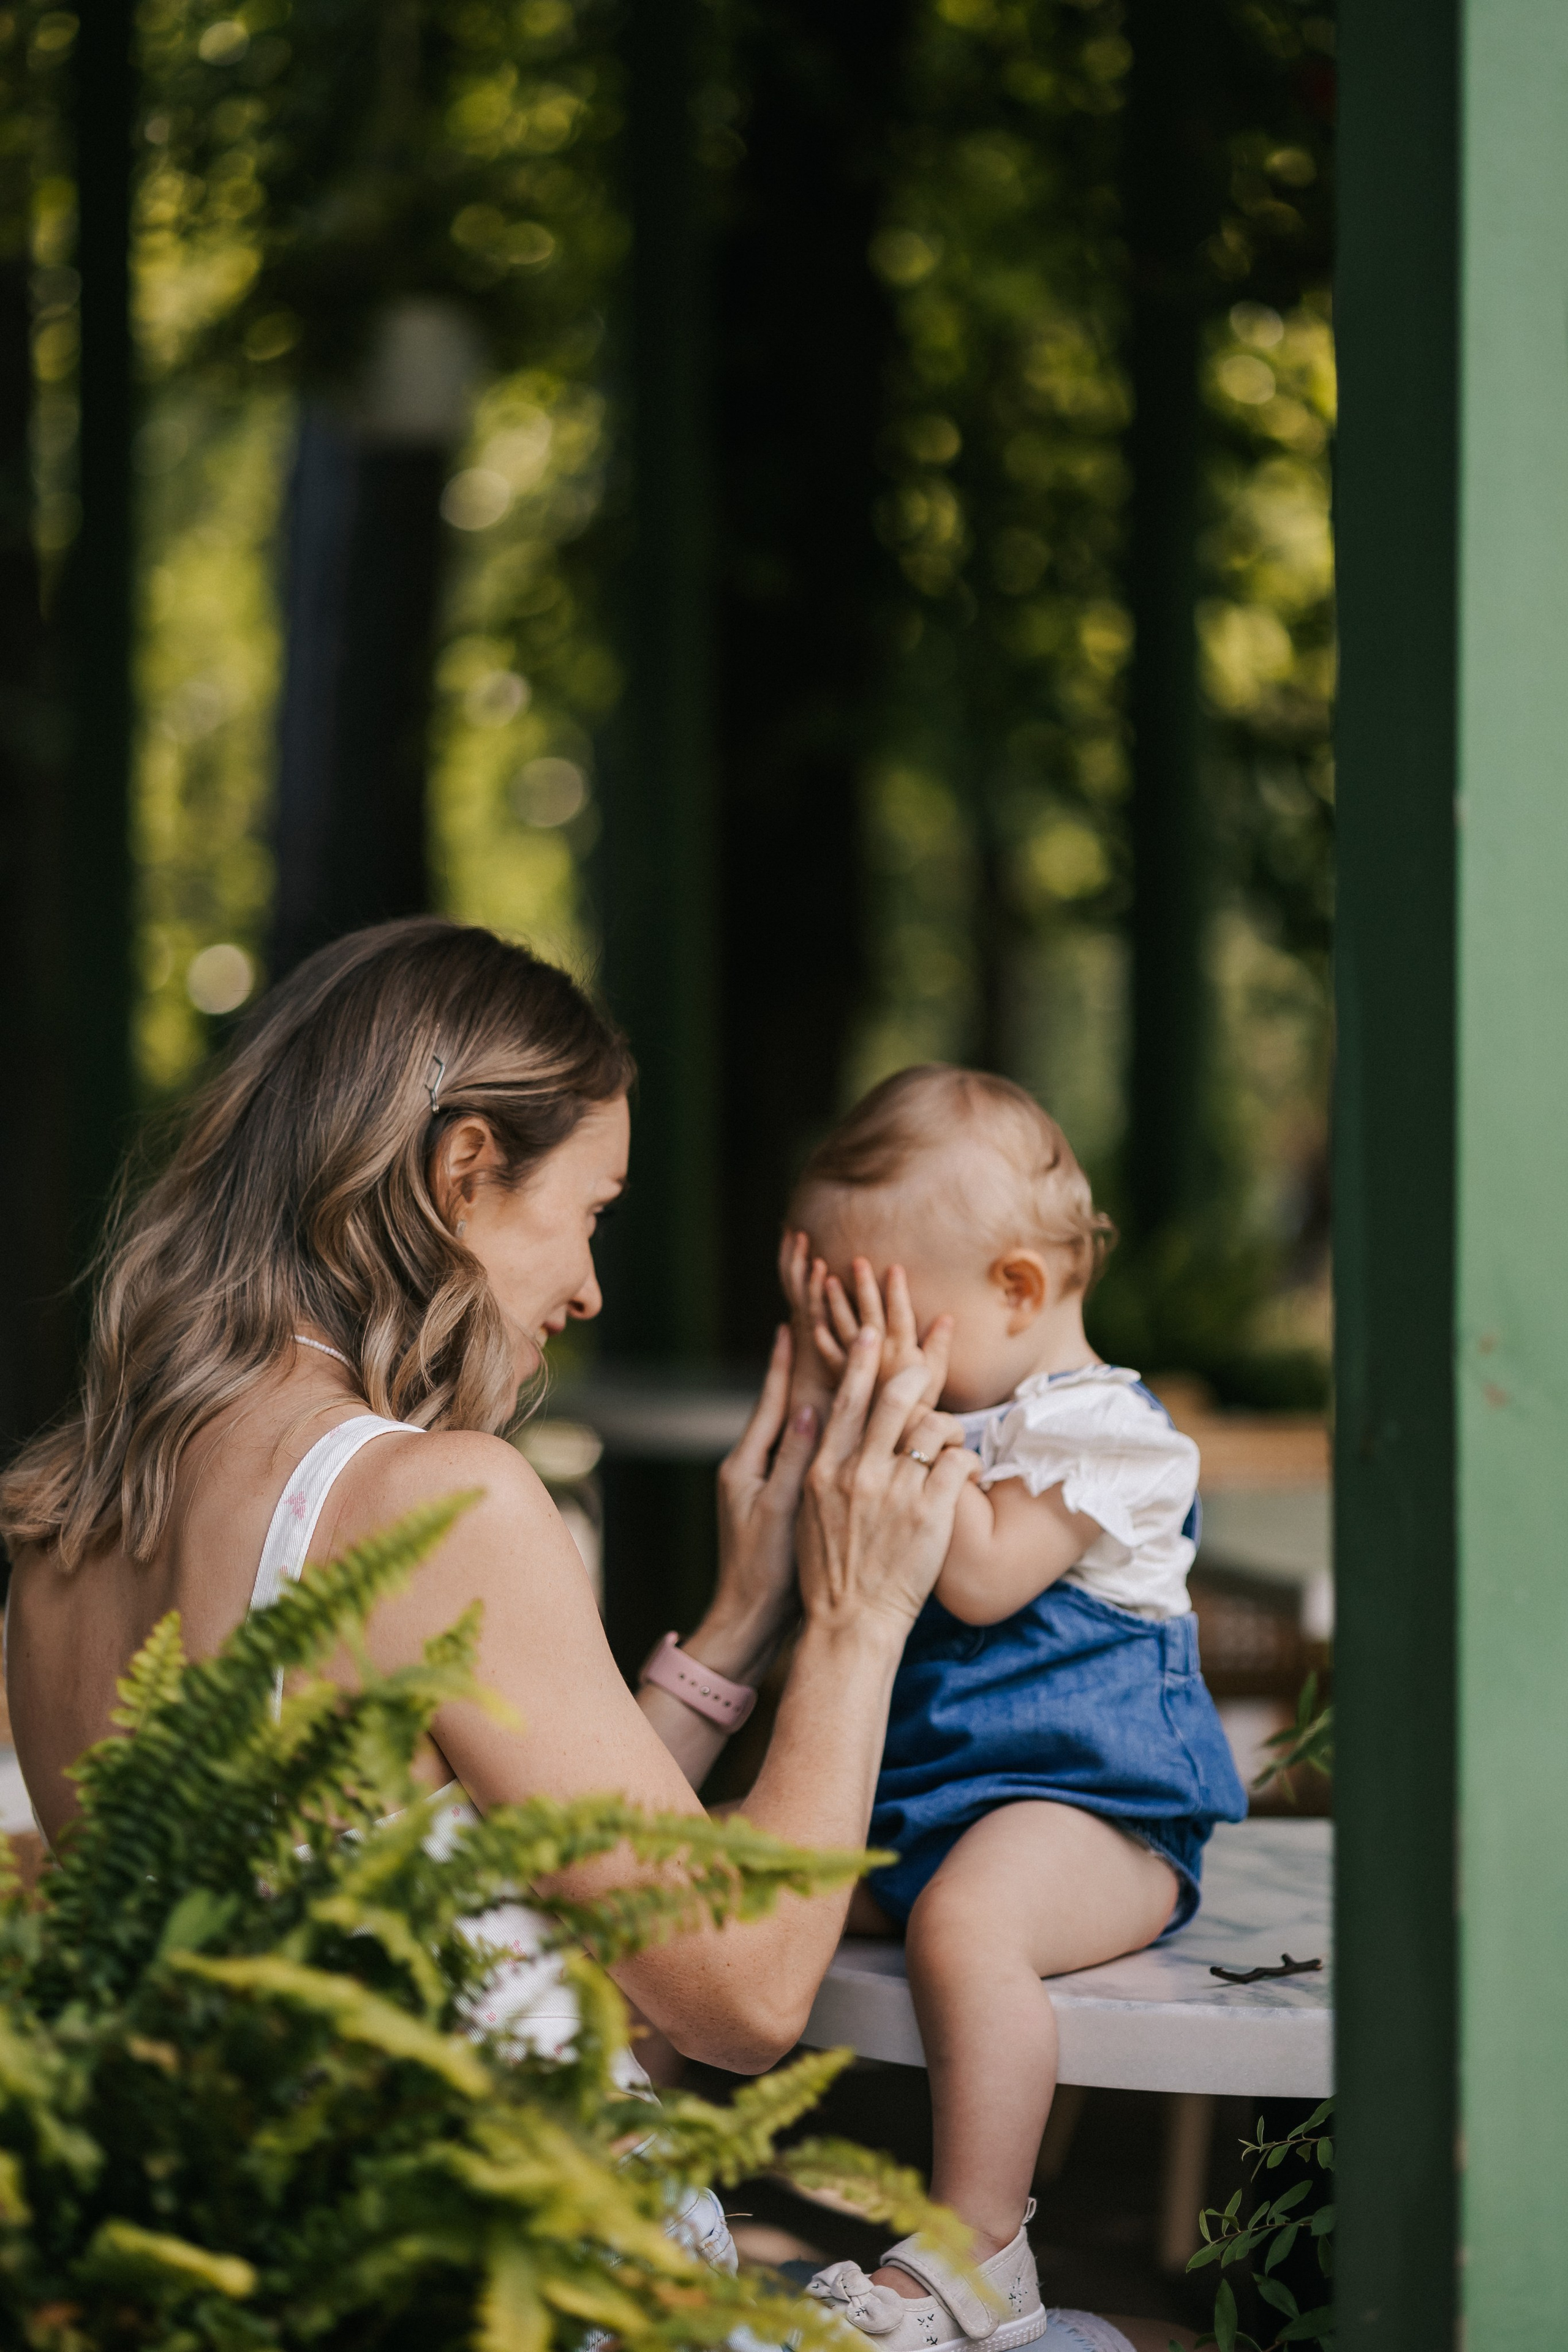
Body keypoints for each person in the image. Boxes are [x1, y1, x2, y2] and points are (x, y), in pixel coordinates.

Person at [0, 924, 1193, 2352]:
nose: (588, 1290)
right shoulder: (436, 1503)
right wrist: (857, 1617)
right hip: (532, 2293)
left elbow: (484, 1919)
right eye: (588, 1213)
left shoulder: (62, 1535)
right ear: (462, 1173)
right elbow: (735, 2004)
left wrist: (745, 1618)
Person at [780, 1065, 1242, 2352]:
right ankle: (630, 2171)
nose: (875, 1356)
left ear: (1017, 1291)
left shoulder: (1103, 1430)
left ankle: (977, 2250)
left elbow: (980, 1579)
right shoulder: (966, 1411)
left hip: (1097, 1819)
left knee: (966, 1927)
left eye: (889, 1319)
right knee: (742, 1865)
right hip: (938, 1805)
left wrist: (896, 1407)